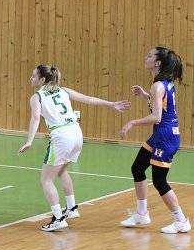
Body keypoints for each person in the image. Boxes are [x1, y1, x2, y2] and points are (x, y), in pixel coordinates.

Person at [17, 65, 131, 231]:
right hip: (76, 133)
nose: (31, 78)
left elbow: (35, 119)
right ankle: (71, 208)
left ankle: (58, 218)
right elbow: (88, 99)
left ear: (42, 79)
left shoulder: (37, 97)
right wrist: (111, 104)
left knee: (46, 180)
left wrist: (29, 140)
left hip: (61, 136)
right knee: (62, 171)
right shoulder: (64, 91)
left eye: (33, 76)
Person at [119, 47, 191, 233]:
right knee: (137, 168)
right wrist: (146, 96)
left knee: (159, 181)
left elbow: (157, 117)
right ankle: (141, 214)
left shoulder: (157, 85)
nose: (146, 57)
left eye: (150, 55)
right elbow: (163, 106)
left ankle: (181, 220)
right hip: (162, 135)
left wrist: (132, 122)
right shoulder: (163, 83)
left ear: (158, 63)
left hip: (165, 137)